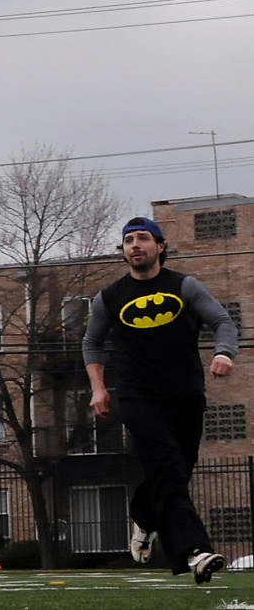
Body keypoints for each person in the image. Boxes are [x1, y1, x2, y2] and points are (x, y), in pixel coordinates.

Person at [83, 216, 238, 584]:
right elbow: (91, 343)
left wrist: (224, 353)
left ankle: (144, 515)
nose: (135, 245)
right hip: (139, 399)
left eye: (142, 239)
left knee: (177, 471)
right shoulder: (109, 298)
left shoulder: (184, 286)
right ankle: (194, 551)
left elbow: (223, 322)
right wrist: (99, 388)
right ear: (123, 250)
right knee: (168, 472)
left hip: (186, 396)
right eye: (128, 240)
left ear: (160, 246)